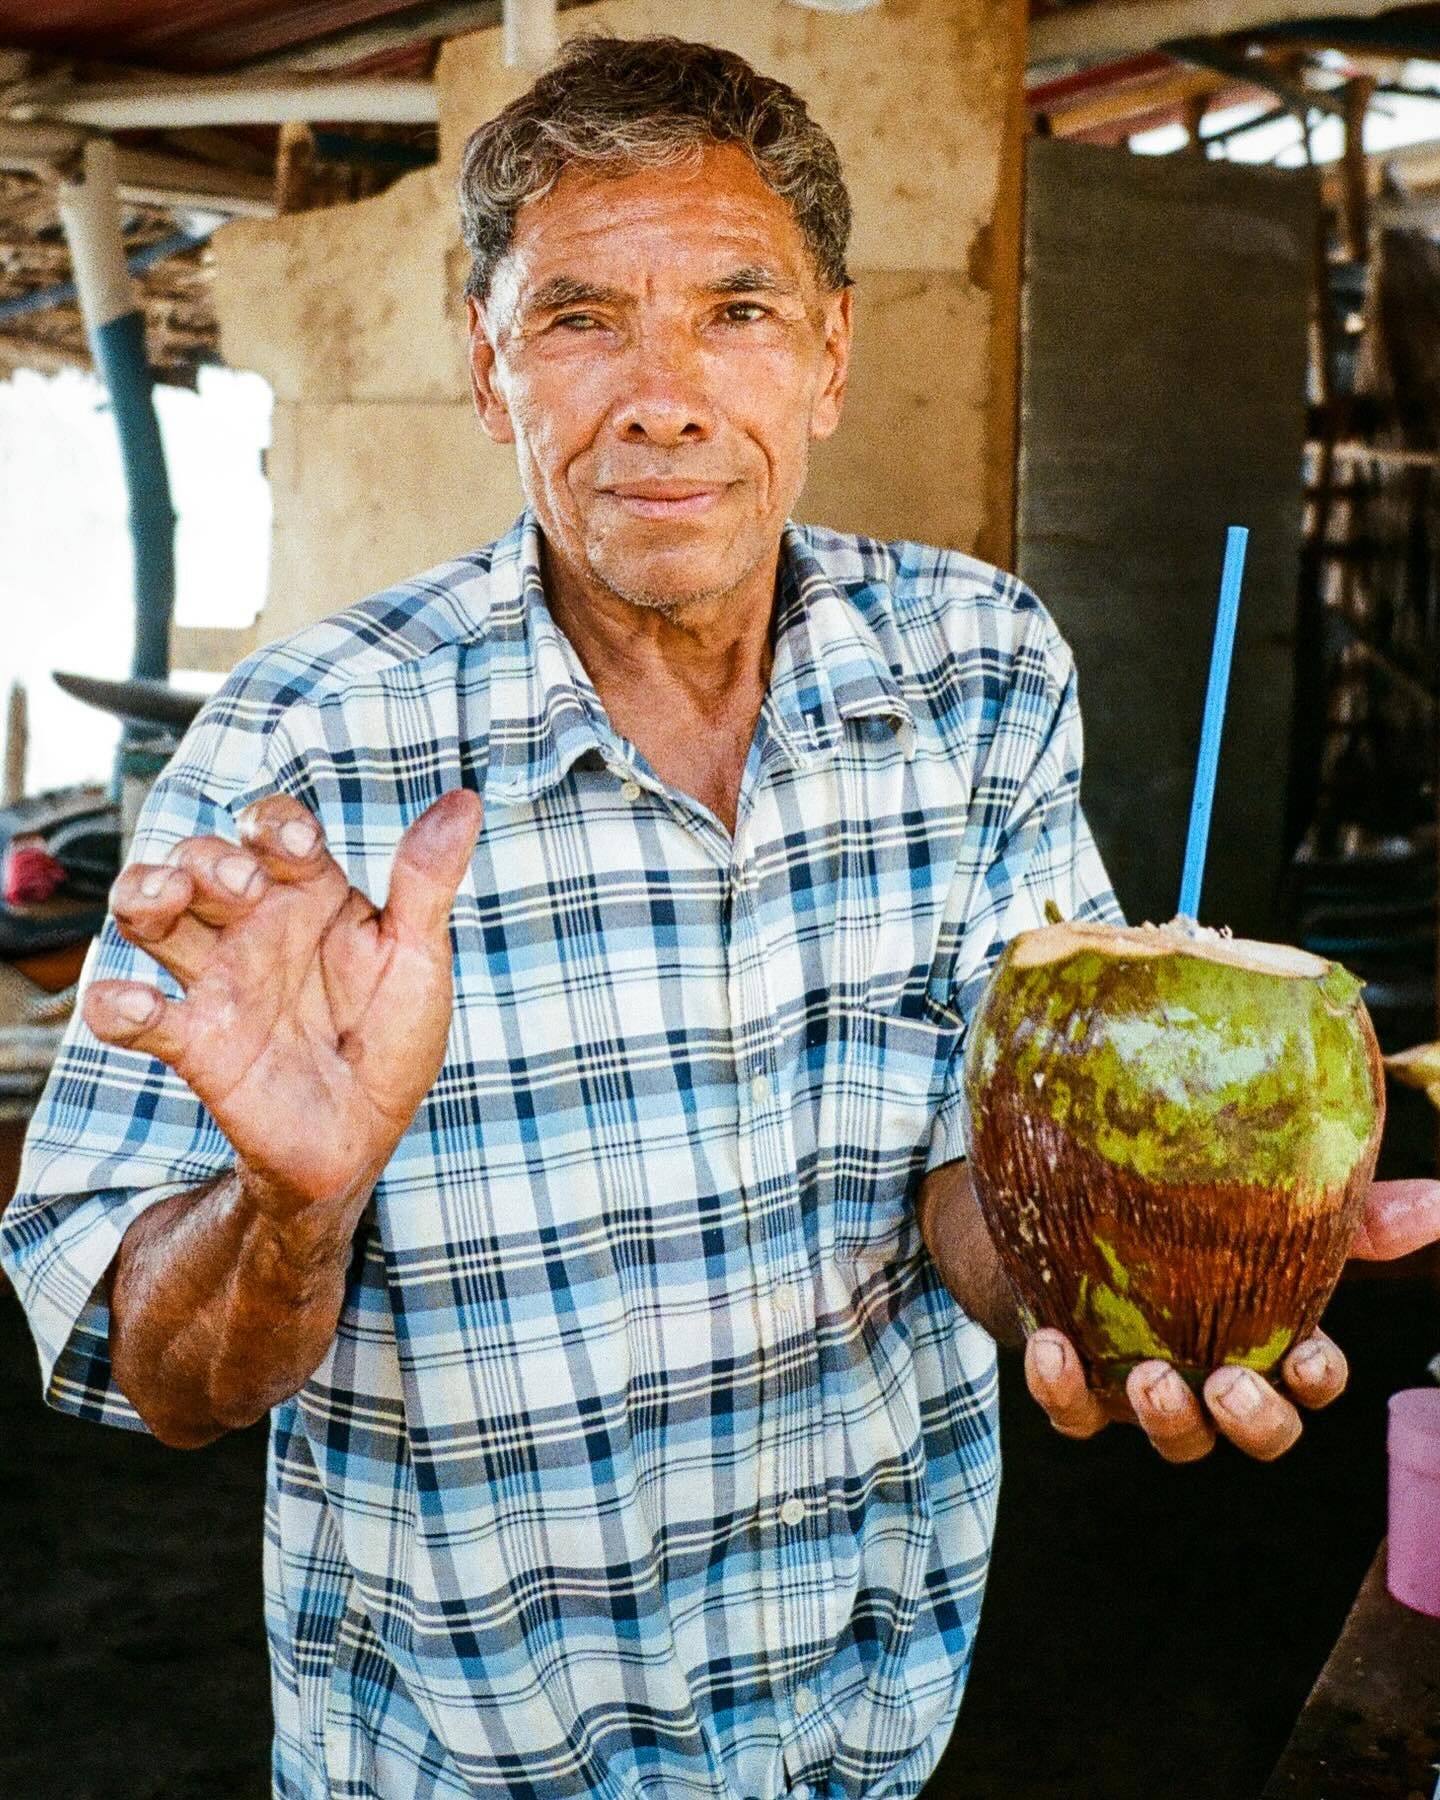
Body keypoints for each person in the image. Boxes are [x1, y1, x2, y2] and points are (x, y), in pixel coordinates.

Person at [4, 34, 1437, 1800]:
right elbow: (147, 1360)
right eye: (582, 316)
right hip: (467, 1763)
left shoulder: (981, 674)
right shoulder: (305, 760)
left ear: (832, 355)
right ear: (487, 364)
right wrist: (290, 1208)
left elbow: (985, 1171)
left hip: (875, 1728)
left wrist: (1151, 1262)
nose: (664, 395)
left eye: (739, 311)